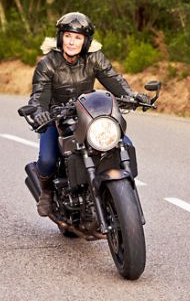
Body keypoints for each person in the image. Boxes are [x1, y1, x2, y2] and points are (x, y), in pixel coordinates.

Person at [28, 12, 149, 217]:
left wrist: (133, 96)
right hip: (56, 117)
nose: (72, 42)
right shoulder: (47, 64)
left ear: (85, 41)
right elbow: (39, 96)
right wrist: (40, 113)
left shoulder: (95, 58)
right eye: (68, 36)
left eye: (77, 37)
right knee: (47, 160)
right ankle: (47, 190)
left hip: (89, 115)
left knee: (123, 143)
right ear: (60, 37)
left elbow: (114, 81)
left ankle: (124, 195)